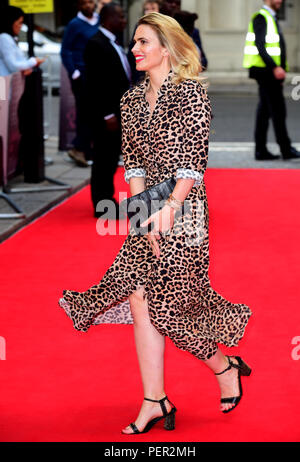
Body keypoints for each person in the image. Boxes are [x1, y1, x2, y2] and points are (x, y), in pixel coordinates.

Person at [59, 12, 252, 434]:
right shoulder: (129, 100)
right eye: (134, 43)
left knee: (169, 309)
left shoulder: (191, 96)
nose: (135, 50)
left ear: (166, 47)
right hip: (147, 207)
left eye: (143, 42)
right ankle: (154, 399)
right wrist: (143, 211)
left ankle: (223, 366)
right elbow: (131, 161)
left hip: (186, 212)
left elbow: (191, 164)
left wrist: (170, 209)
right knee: (138, 296)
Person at [83, 2, 131, 218]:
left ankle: (107, 199)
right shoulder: (96, 44)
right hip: (106, 114)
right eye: (120, 17)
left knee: (111, 158)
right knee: (103, 159)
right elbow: (95, 84)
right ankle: (101, 205)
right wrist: (108, 114)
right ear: (108, 19)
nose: (124, 20)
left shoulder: (112, 42)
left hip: (117, 111)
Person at [243, 0, 300, 160]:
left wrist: (279, 68)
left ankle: (261, 151)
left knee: (264, 112)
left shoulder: (269, 17)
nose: (280, 1)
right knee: (278, 111)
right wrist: (275, 67)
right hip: (266, 71)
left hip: (268, 71)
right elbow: (260, 45)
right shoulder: (261, 17)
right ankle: (286, 149)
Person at [61, 0, 100, 167]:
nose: (89, 5)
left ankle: (86, 149)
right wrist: (74, 72)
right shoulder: (74, 24)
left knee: (95, 113)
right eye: (85, 2)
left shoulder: (100, 20)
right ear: (79, 5)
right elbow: (65, 50)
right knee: (84, 113)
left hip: (97, 74)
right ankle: (80, 149)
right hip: (81, 74)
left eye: (91, 1)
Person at [161, 0, 208, 69]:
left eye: (177, 3)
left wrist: (194, 64)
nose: (174, 5)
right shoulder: (159, 30)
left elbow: (204, 61)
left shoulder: (194, 32)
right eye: (170, 2)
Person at [0, 6, 44, 77]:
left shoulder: (10, 38)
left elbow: (19, 62)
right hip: (5, 83)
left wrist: (27, 67)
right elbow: (13, 66)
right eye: (19, 23)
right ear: (11, 22)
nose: (21, 26)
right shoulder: (4, 38)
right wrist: (33, 61)